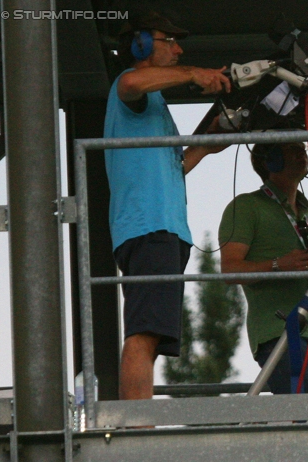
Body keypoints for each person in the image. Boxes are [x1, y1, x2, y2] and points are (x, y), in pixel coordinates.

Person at [104, 12, 231, 400]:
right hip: (150, 229)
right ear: (141, 44)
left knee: (151, 335)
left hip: (161, 231)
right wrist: (195, 74)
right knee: (143, 335)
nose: (178, 50)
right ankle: (136, 433)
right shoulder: (131, 87)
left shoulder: (154, 103)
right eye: (169, 41)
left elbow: (173, 168)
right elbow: (129, 81)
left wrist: (206, 145)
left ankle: (137, 426)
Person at [218, 142, 308, 394]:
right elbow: (229, 270)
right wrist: (278, 265)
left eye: (302, 146)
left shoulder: (305, 213)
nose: (302, 151)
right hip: (279, 331)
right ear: (271, 160)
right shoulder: (246, 206)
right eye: (292, 148)